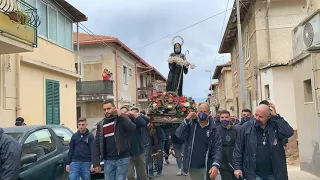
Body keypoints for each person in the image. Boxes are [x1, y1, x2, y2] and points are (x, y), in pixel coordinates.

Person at [233, 104, 294, 180]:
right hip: (254, 173)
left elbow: (288, 132)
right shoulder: (246, 127)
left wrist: (276, 117)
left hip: (274, 173)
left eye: (261, 117)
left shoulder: (275, 126)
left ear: (268, 117)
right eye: (256, 115)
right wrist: (237, 167)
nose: (257, 118)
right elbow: (238, 148)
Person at [176, 102, 222, 180]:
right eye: (200, 111)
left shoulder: (213, 129)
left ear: (209, 113)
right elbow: (179, 135)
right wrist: (187, 118)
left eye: (205, 111)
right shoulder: (191, 125)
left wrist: (215, 164)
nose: (202, 113)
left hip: (208, 166)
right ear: (197, 112)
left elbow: (217, 148)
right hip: (193, 166)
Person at [92, 100, 136, 180]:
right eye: (104, 109)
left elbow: (132, 128)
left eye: (109, 108)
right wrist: (96, 163)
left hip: (122, 159)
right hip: (108, 160)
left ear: (114, 108)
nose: (106, 111)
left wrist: (120, 115)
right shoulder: (101, 125)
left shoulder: (121, 119)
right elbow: (97, 144)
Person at [119, 107, 148, 180]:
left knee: (142, 174)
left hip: (139, 151)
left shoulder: (134, 121)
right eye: (121, 113)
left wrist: (135, 114)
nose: (123, 115)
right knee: (130, 176)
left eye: (125, 113)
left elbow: (143, 122)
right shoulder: (120, 123)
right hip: (127, 153)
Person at [216, 110, 238, 180]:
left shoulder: (236, 130)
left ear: (229, 118)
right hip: (223, 162)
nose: (224, 119)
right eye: (222, 117)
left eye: (226, 117)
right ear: (220, 119)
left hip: (235, 160)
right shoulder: (216, 131)